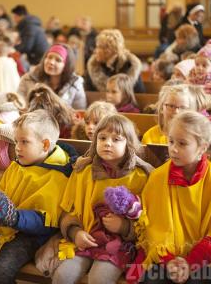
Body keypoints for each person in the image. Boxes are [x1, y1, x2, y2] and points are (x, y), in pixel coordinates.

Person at [0, 110, 77, 284]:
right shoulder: (17, 165)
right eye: (16, 141)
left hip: (32, 235)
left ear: (45, 145)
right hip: (4, 227)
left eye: (24, 142)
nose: (18, 147)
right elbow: (0, 195)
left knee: (1, 270)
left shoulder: (59, 175)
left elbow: (46, 222)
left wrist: (14, 217)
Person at [137, 111, 211, 284]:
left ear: (202, 147)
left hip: (205, 260)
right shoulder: (158, 178)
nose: (173, 148)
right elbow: (154, 228)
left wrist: (190, 263)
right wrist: (170, 261)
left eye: (182, 143)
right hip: (166, 258)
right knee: (152, 279)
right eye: (171, 141)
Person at [52, 114, 153, 284]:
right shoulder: (83, 172)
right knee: (63, 276)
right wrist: (74, 232)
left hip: (119, 246)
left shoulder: (141, 177)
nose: (107, 143)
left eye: (116, 139)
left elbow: (147, 223)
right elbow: (68, 210)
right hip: (85, 240)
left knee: (99, 279)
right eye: (103, 138)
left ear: (129, 144)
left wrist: (124, 226)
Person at [18, 44, 87, 109]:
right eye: (49, 57)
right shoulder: (28, 79)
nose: (51, 62)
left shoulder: (75, 84)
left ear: (66, 66)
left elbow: (79, 111)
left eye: (58, 60)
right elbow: (18, 104)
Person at [141, 84, 211, 145]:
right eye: (171, 106)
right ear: (162, 109)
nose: (176, 111)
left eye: (183, 107)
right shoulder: (149, 136)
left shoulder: (196, 137)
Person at [85, 29, 145, 93]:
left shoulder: (130, 66)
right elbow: (89, 93)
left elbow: (140, 93)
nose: (95, 51)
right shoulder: (94, 66)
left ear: (109, 50)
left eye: (99, 47)